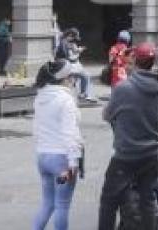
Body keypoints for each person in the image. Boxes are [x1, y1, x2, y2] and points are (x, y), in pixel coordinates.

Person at [98, 42, 158, 230]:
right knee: (147, 200)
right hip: (152, 154)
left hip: (127, 155)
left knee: (108, 202)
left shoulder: (123, 88)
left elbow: (107, 115)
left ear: (136, 60)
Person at [32, 60, 84, 230]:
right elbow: (71, 133)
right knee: (62, 206)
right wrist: (74, 162)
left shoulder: (40, 97)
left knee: (47, 203)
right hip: (62, 160)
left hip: (43, 158)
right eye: (71, 77)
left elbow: (36, 128)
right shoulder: (65, 100)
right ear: (65, 79)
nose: (73, 80)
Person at [56, 28, 97, 103]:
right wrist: (78, 53)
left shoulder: (64, 42)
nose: (74, 40)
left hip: (65, 66)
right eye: (73, 38)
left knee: (81, 76)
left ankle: (83, 94)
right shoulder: (64, 44)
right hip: (66, 66)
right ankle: (84, 94)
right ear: (70, 35)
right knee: (85, 76)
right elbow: (70, 58)